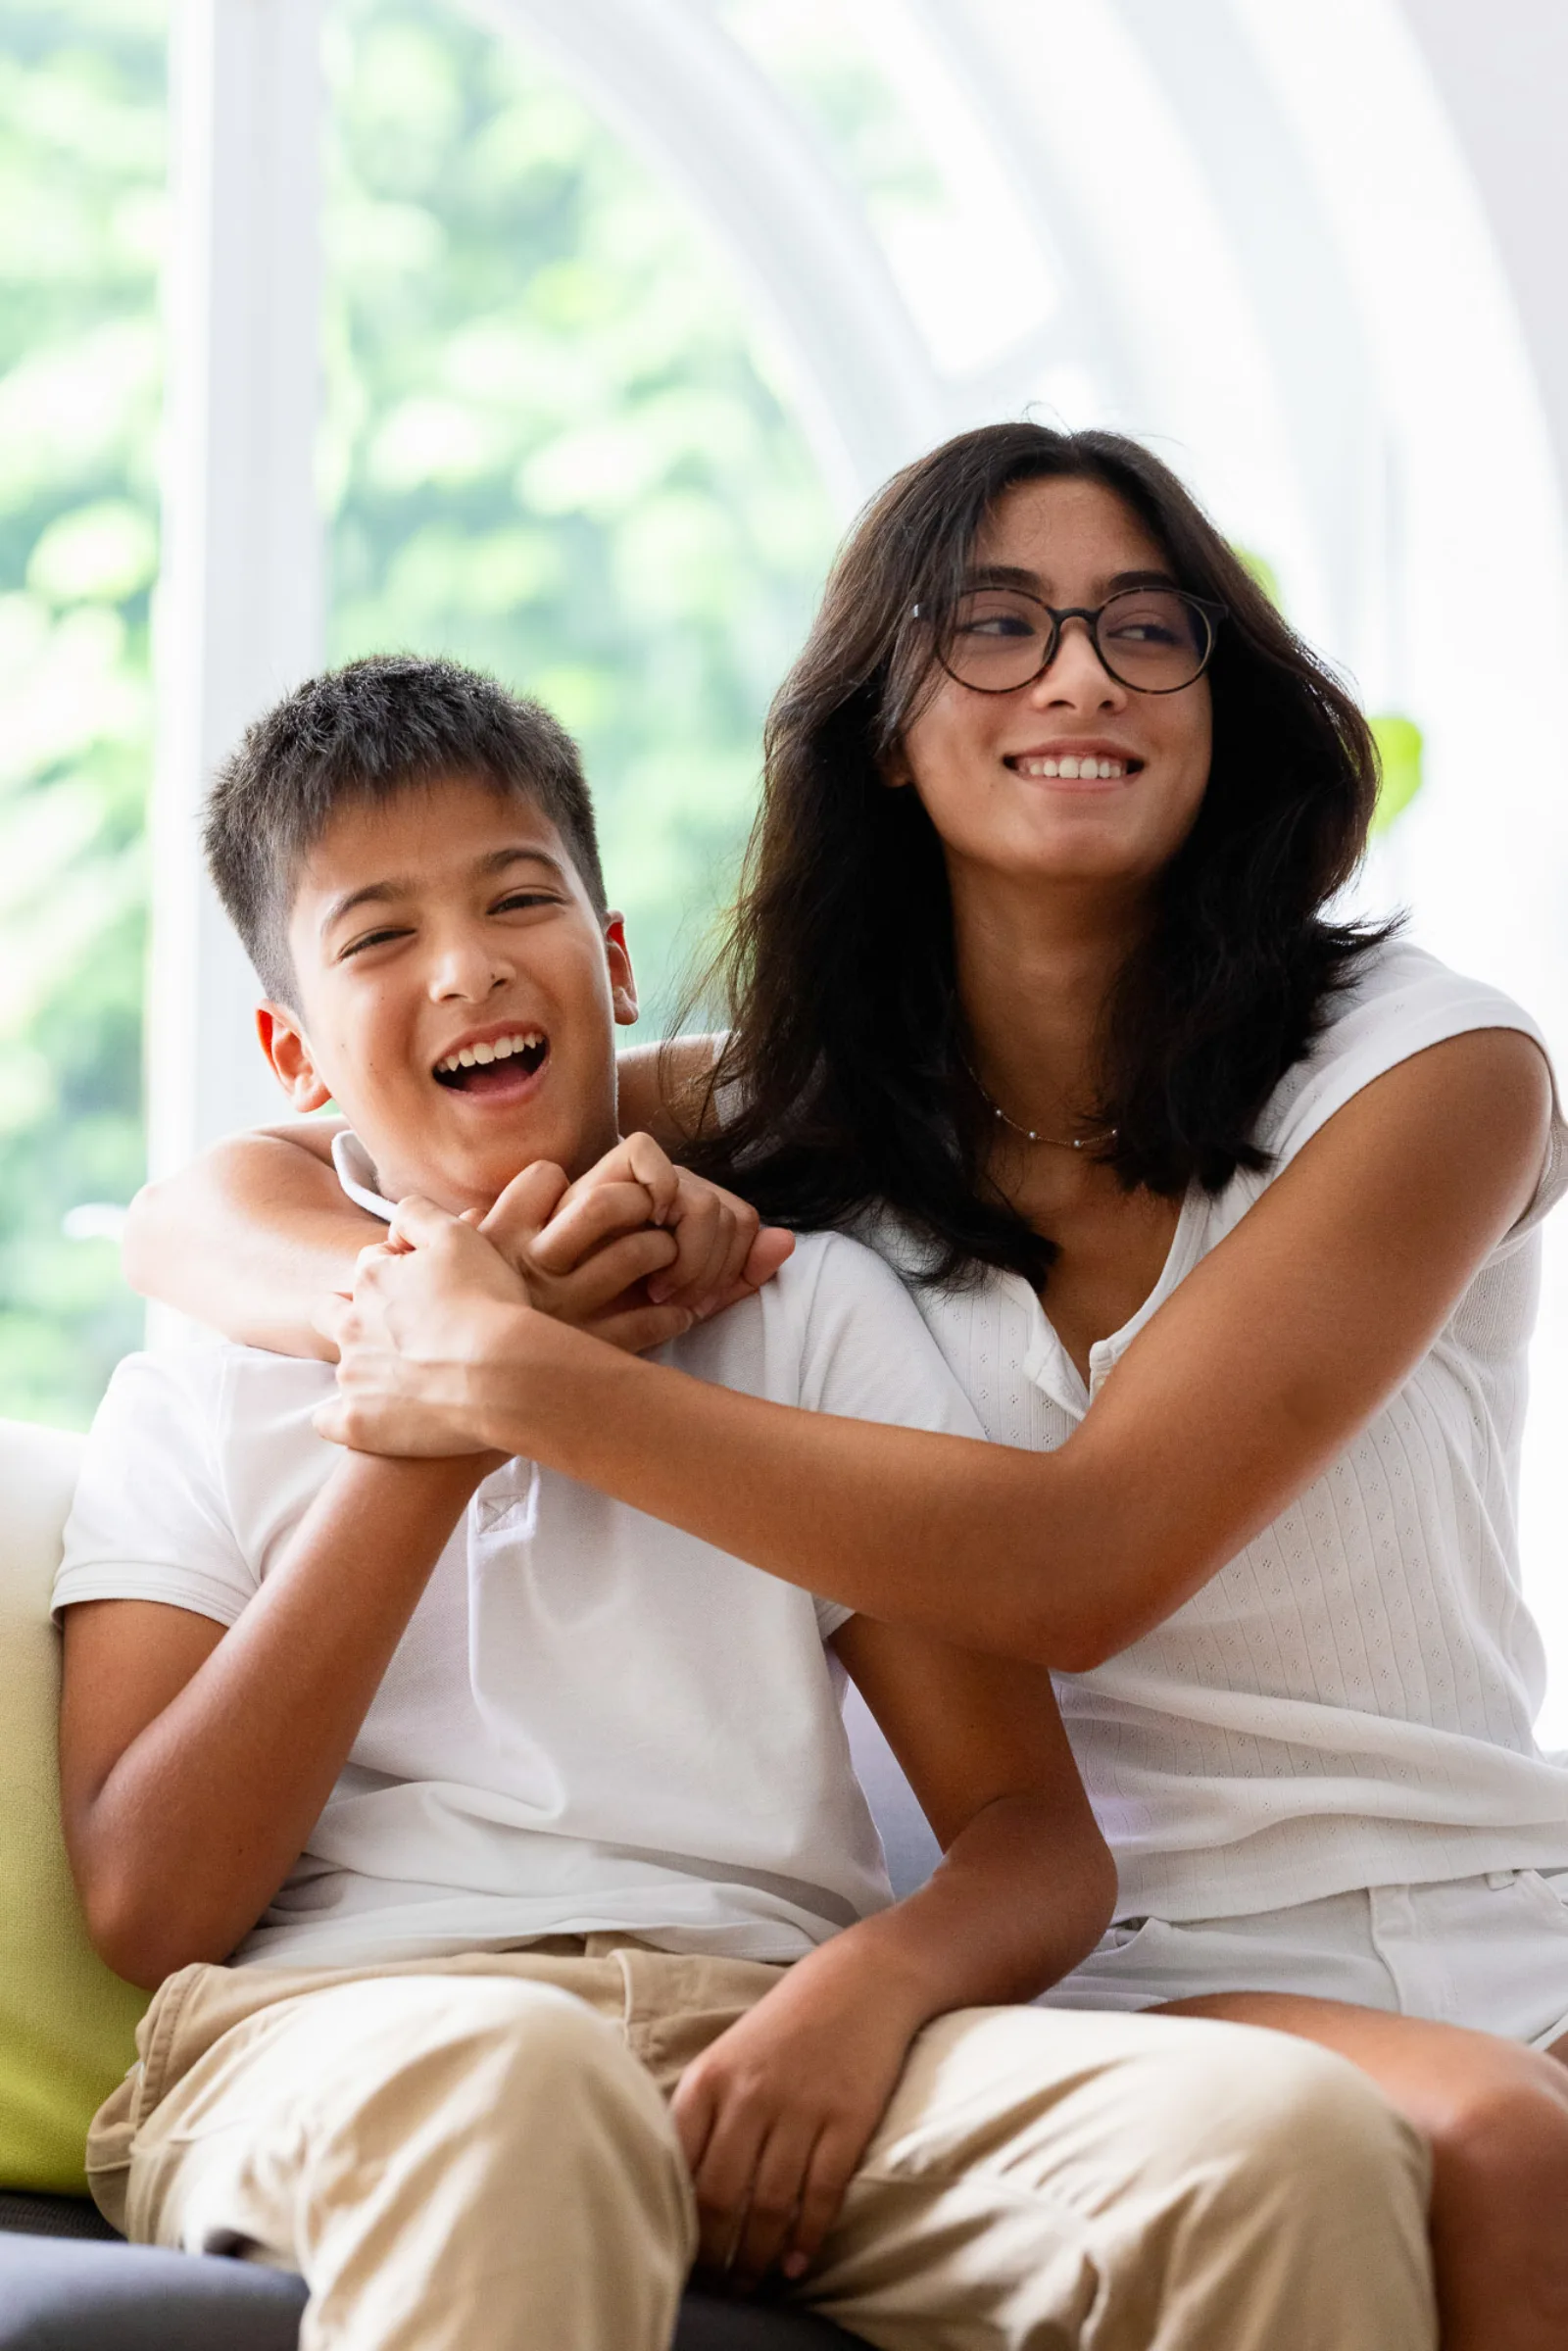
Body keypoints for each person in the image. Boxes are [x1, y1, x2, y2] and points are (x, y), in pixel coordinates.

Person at [118, 419, 1568, 2349]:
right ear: (882, 721)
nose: (1076, 669)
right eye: (996, 623)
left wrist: (510, 1372)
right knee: (1466, 2147)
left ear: (1224, 702)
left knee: (1427, 2139)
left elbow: (1080, 1563)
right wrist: (424, 1335)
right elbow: (233, 1190)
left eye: (1148, 627)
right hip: (1107, 1966)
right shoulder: (804, 1109)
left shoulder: (1417, 1071)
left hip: (1435, 1887)